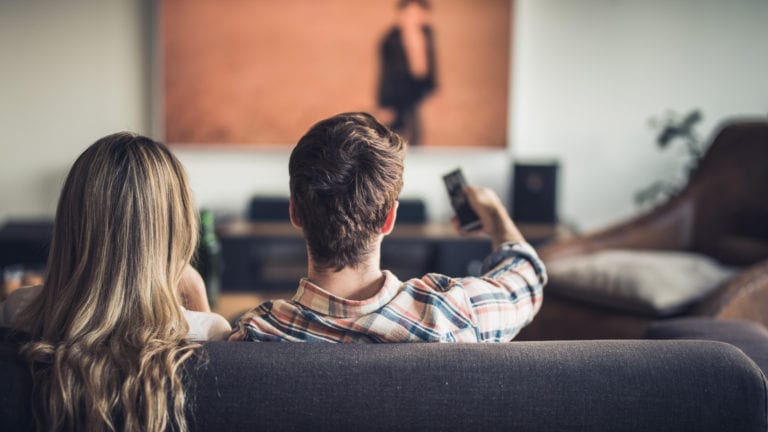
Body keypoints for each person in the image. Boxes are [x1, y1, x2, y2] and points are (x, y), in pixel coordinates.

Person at [230, 112, 546, 343]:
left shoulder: (257, 333)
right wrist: (494, 215)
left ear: (294, 213)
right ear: (389, 219)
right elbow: (525, 281)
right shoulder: (454, 314)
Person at [0, 132, 230, 431]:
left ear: (72, 222)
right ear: (178, 226)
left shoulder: (17, 309)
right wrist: (197, 290)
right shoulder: (210, 331)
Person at [377, 0, 437, 146]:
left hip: (417, 87)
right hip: (397, 89)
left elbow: (431, 61)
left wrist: (433, 85)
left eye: (417, 13)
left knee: (413, 127)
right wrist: (384, 101)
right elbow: (386, 73)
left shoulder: (426, 33)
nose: (413, 18)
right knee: (397, 127)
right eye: (409, 14)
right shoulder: (390, 39)